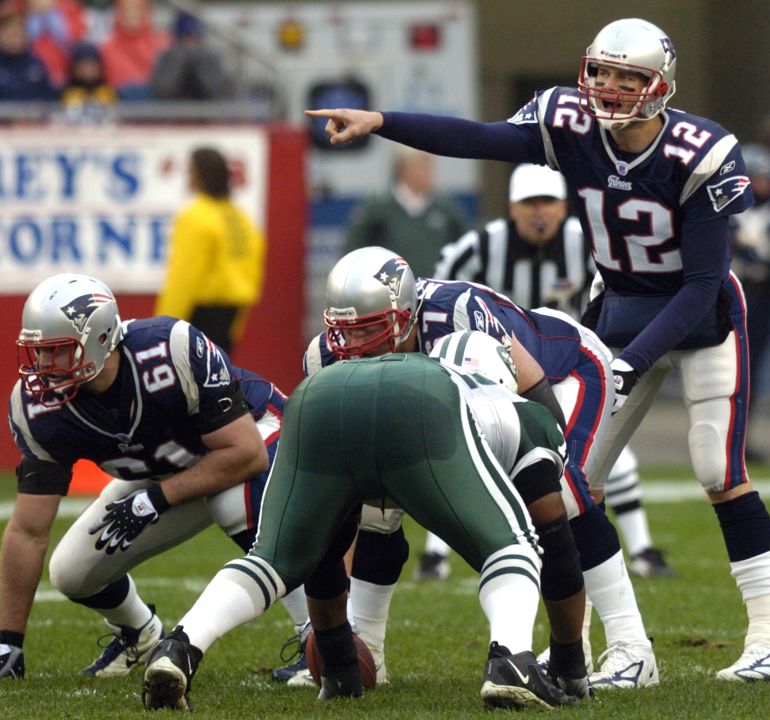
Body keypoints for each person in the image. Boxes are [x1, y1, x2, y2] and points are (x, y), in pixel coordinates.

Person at [306, 17, 770, 681]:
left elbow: (701, 282)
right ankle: (608, 649)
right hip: (619, 309)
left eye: (629, 78)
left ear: (660, 85)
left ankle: (769, 639)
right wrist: (382, 120)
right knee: (572, 489)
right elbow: (477, 139)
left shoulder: (698, 151)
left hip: (702, 320)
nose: (612, 88)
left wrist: (632, 362)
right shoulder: (569, 123)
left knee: (717, 470)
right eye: (603, 72)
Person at [140, 347, 581, 711]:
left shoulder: (389, 365)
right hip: (423, 410)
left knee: (272, 559)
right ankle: (511, 659)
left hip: (317, 398)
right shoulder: (518, 410)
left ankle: (180, 647)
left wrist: (338, 663)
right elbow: (555, 536)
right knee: (515, 545)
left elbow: (330, 554)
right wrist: (570, 662)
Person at [299, 247, 658, 690]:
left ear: (404, 315)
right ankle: (367, 646)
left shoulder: (458, 315)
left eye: (370, 329)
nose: (353, 346)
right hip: (485, 402)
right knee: (376, 507)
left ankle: (632, 646)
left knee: (560, 496)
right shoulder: (326, 359)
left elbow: (533, 394)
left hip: (563, 374)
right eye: (344, 331)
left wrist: (545, 462)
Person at [0, 273, 308, 683]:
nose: (43, 367)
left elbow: (245, 454)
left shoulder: (169, 349)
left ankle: (318, 639)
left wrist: (155, 499)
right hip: (171, 468)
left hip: (259, 435)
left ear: (97, 341)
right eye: (37, 353)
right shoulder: (38, 410)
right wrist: (8, 643)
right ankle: (140, 632)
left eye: (57, 352)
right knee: (72, 571)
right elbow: (28, 529)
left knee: (229, 498)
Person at [434, 162, 675, 579]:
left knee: (603, 458)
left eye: (547, 202)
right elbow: (438, 287)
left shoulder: (588, 245)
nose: (539, 212)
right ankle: (436, 554)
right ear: (512, 207)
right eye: (529, 203)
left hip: (567, 367)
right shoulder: (479, 248)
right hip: (490, 373)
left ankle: (643, 549)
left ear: (565, 207)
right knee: (461, 449)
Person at [155, 147, 266, 355]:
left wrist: (162, 326)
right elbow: (250, 274)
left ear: (198, 175)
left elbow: (183, 276)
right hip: (231, 315)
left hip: (198, 316)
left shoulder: (195, 217)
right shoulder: (241, 218)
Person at [729, 145, 770, 441]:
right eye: (761, 176)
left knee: (751, 369)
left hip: (764, 294)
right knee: (726, 371)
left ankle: (742, 439)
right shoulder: (729, 208)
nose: (768, 183)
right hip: (732, 297)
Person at [343, 148, 470, 277]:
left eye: (431, 166)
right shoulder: (377, 208)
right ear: (404, 169)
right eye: (422, 166)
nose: (430, 172)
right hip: (391, 292)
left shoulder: (446, 208)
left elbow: (466, 249)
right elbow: (354, 252)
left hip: (437, 291)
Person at [0, 9, 56, 102]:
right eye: (8, 29)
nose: (14, 34)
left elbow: (49, 99)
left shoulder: (35, 63)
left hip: (31, 116)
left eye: (19, 30)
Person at [151, 12, 235, 101]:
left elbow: (220, 94)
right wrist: (179, 61)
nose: (190, 44)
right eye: (186, 39)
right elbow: (162, 92)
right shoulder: (167, 58)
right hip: (173, 112)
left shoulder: (209, 57)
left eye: (194, 38)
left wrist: (200, 64)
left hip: (206, 112)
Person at [100, 0, 169, 99]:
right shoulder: (106, 48)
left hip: (155, 106)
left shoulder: (162, 45)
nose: (131, 16)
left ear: (146, 13)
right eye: (126, 11)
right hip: (118, 104)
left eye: (136, 11)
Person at [59, 42, 118, 112]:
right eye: (82, 66)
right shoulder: (65, 94)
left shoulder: (109, 92)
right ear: (73, 68)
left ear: (100, 67)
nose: (87, 70)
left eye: (92, 65)